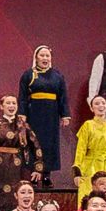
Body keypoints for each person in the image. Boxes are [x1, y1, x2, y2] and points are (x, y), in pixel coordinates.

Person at [0, 95, 42, 209]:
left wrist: (38, 168)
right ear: (1, 106)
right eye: (8, 103)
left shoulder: (23, 125)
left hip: (18, 166)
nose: (11, 106)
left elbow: (36, 145)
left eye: (14, 103)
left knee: (15, 196)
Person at [20, 46, 72, 188]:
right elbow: (23, 96)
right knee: (34, 142)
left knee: (50, 144)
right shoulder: (28, 75)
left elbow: (63, 97)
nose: (45, 58)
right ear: (36, 58)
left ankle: (46, 175)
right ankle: (34, 174)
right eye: (42, 55)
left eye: (47, 56)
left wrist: (65, 115)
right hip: (34, 114)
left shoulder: (57, 76)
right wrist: (22, 114)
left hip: (51, 115)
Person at [72, 95, 106, 204]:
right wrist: (77, 171)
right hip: (90, 166)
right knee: (88, 196)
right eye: (97, 104)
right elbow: (81, 149)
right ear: (92, 108)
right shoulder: (88, 125)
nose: (101, 106)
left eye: (103, 103)